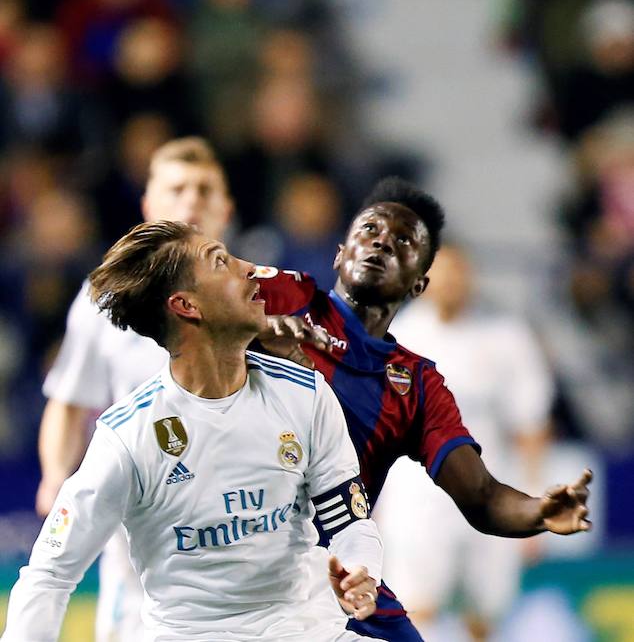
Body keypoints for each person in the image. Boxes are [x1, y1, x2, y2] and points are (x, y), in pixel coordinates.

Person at [2, 222, 385, 642]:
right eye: (221, 262)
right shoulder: (128, 437)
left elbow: (350, 521)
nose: (251, 269)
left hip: (309, 630)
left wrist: (359, 567)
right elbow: (50, 574)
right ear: (186, 305)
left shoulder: (305, 395)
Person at [255, 176, 593, 642]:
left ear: (418, 281)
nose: (381, 242)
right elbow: (192, 285)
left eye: (403, 242)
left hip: (332, 572)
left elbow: (482, 496)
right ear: (339, 252)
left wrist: (536, 511)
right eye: (370, 228)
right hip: (232, 551)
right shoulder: (280, 296)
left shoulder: (417, 384)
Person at [36, 136, 234, 641]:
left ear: (225, 207)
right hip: (141, 535)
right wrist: (56, 477)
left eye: (204, 188)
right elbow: (68, 401)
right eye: (177, 188)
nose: (191, 200)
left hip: (243, 523)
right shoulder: (105, 298)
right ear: (148, 205)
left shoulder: (260, 297)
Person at [375, 243, 555, 641]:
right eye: (441, 272)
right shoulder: (397, 336)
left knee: (486, 613)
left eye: (459, 272)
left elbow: (531, 421)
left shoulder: (506, 337)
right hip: (416, 493)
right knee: (414, 606)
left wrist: (535, 499)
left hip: (487, 488)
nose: (451, 281)